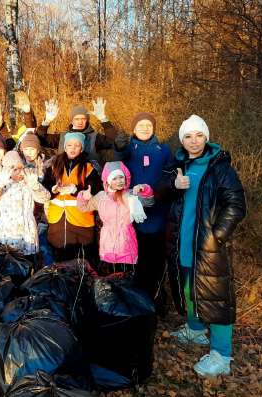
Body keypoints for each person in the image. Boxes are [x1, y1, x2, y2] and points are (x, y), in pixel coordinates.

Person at [160, 115, 246, 377]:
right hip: (182, 243)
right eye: (188, 136)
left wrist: (217, 235)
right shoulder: (178, 166)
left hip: (208, 246)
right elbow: (160, 194)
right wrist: (173, 186)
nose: (194, 141)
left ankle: (222, 355)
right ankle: (195, 330)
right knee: (189, 290)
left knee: (216, 297)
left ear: (206, 137)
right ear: (182, 140)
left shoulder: (220, 167)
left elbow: (236, 205)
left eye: (199, 135)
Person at [114, 112, 173, 313]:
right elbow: (118, 158)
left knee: (156, 259)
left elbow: (170, 175)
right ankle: (137, 300)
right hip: (132, 213)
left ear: (154, 127)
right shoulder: (129, 147)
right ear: (134, 128)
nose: (145, 128)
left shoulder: (163, 150)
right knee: (137, 259)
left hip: (157, 211)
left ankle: (156, 298)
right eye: (141, 125)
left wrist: (159, 193)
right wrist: (119, 146)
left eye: (149, 125)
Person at [77, 161, 153, 277]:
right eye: (115, 178)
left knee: (126, 281)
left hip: (127, 246)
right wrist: (83, 196)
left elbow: (149, 202)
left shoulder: (130, 195)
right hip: (106, 246)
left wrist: (145, 189)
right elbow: (83, 208)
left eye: (121, 177)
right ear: (107, 180)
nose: (119, 181)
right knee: (108, 283)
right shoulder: (101, 197)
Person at [43, 132, 101, 262]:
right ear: (64, 147)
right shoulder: (53, 165)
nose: (73, 148)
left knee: (81, 259)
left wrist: (75, 190)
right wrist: (54, 189)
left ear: (82, 148)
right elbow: (45, 187)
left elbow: (94, 190)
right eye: (69, 145)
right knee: (59, 259)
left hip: (81, 220)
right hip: (57, 220)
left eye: (77, 145)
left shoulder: (89, 167)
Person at [0, 151, 50, 257]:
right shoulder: (2, 184)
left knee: (29, 266)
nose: (19, 172)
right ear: (7, 170)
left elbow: (45, 197)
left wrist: (35, 186)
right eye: (14, 169)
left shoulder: (28, 182)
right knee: (11, 267)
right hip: (8, 236)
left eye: (20, 168)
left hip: (28, 236)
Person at [35, 98, 118, 168]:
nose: (80, 122)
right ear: (72, 120)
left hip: (90, 180)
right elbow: (40, 139)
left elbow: (114, 141)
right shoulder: (62, 137)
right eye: (76, 119)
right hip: (65, 180)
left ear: (87, 120)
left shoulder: (95, 137)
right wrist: (47, 121)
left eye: (83, 119)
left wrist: (103, 119)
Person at [18, 132, 53, 266]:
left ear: (38, 150)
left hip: (42, 215)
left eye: (32, 149)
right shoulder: (18, 166)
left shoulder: (46, 167)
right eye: (26, 149)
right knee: (26, 252)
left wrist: (44, 218)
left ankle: (48, 276)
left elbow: (49, 193)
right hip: (24, 217)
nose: (29, 152)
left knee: (44, 249)